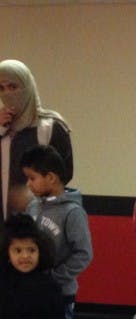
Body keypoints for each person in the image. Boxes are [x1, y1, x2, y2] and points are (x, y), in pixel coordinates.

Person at [21, 144, 93, 319]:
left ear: (50, 178)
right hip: (33, 292)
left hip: (60, 294)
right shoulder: (33, 207)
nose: (28, 184)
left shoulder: (72, 213)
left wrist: (55, 277)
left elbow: (83, 254)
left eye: (32, 178)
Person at [0, 213, 69, 319]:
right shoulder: (3, 282)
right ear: (7, 253)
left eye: (31, 250)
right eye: (18, 250)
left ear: (40, 251)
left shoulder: (48, 287)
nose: (25, 256)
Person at [0, 59, 72, 219]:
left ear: (27, 87)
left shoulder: (51, 127)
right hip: (5, 230)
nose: (7, 94)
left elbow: (65, 174)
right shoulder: (3, 130)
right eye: (1, 88)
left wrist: (35, 192)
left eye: (13, 87)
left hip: (43, 224)